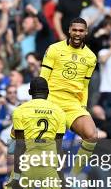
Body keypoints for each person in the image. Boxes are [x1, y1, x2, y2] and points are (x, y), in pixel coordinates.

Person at [39, 17, 99, 176]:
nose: (77, 33)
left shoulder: (91, 57)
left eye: (81, 31)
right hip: (52, 100)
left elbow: (85, 85)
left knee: (92, 136)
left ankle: (73, 176)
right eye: (74, 30)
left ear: (86, 32)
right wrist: (40, 103)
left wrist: (83, 106)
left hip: (72, 104)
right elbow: (43, 78)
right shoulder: (54, 49)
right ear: (69, 31)